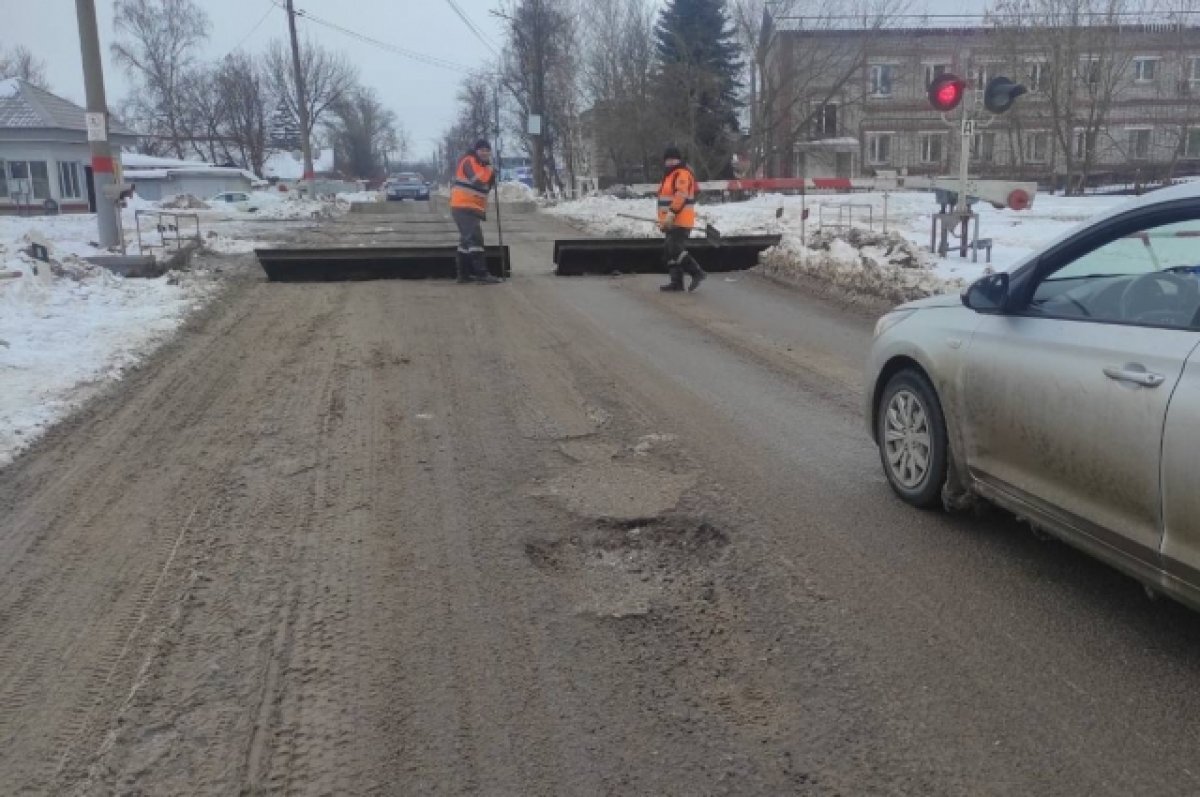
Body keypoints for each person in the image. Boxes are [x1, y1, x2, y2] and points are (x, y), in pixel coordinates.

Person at [450, 139, 502, 284]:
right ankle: (481, 274)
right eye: (482, 150)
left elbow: (486, 187)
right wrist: (490, 171)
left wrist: (492, 175)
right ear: (476, 151)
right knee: (476, 239)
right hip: (463, 206)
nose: (485, 153)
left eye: (487, 150)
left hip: (472, 208)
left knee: (466, 243)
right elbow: (478, 180)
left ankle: (463, 275)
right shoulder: (469, 161)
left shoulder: (483, 166)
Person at [657, 146, 706, 292]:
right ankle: (676, 282)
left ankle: (697, 272)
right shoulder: (669, 176)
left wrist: (672, 213)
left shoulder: (682, 174)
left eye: (673, 159)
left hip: (680, 220)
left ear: (679, 160)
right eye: (668, 160)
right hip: (670, 221)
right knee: (669, 251)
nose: (670, 162)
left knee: (675, 248)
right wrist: (664, 220)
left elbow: (681, 195)